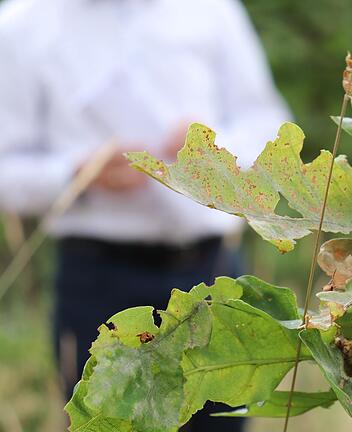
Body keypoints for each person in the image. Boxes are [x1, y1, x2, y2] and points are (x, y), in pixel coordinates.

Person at [0, 0, 291, 430]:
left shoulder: (213, 11)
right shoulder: (24, 22)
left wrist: (212, 147)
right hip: (95, 281)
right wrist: (76, 174)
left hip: (212, 276)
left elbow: (270, 126)